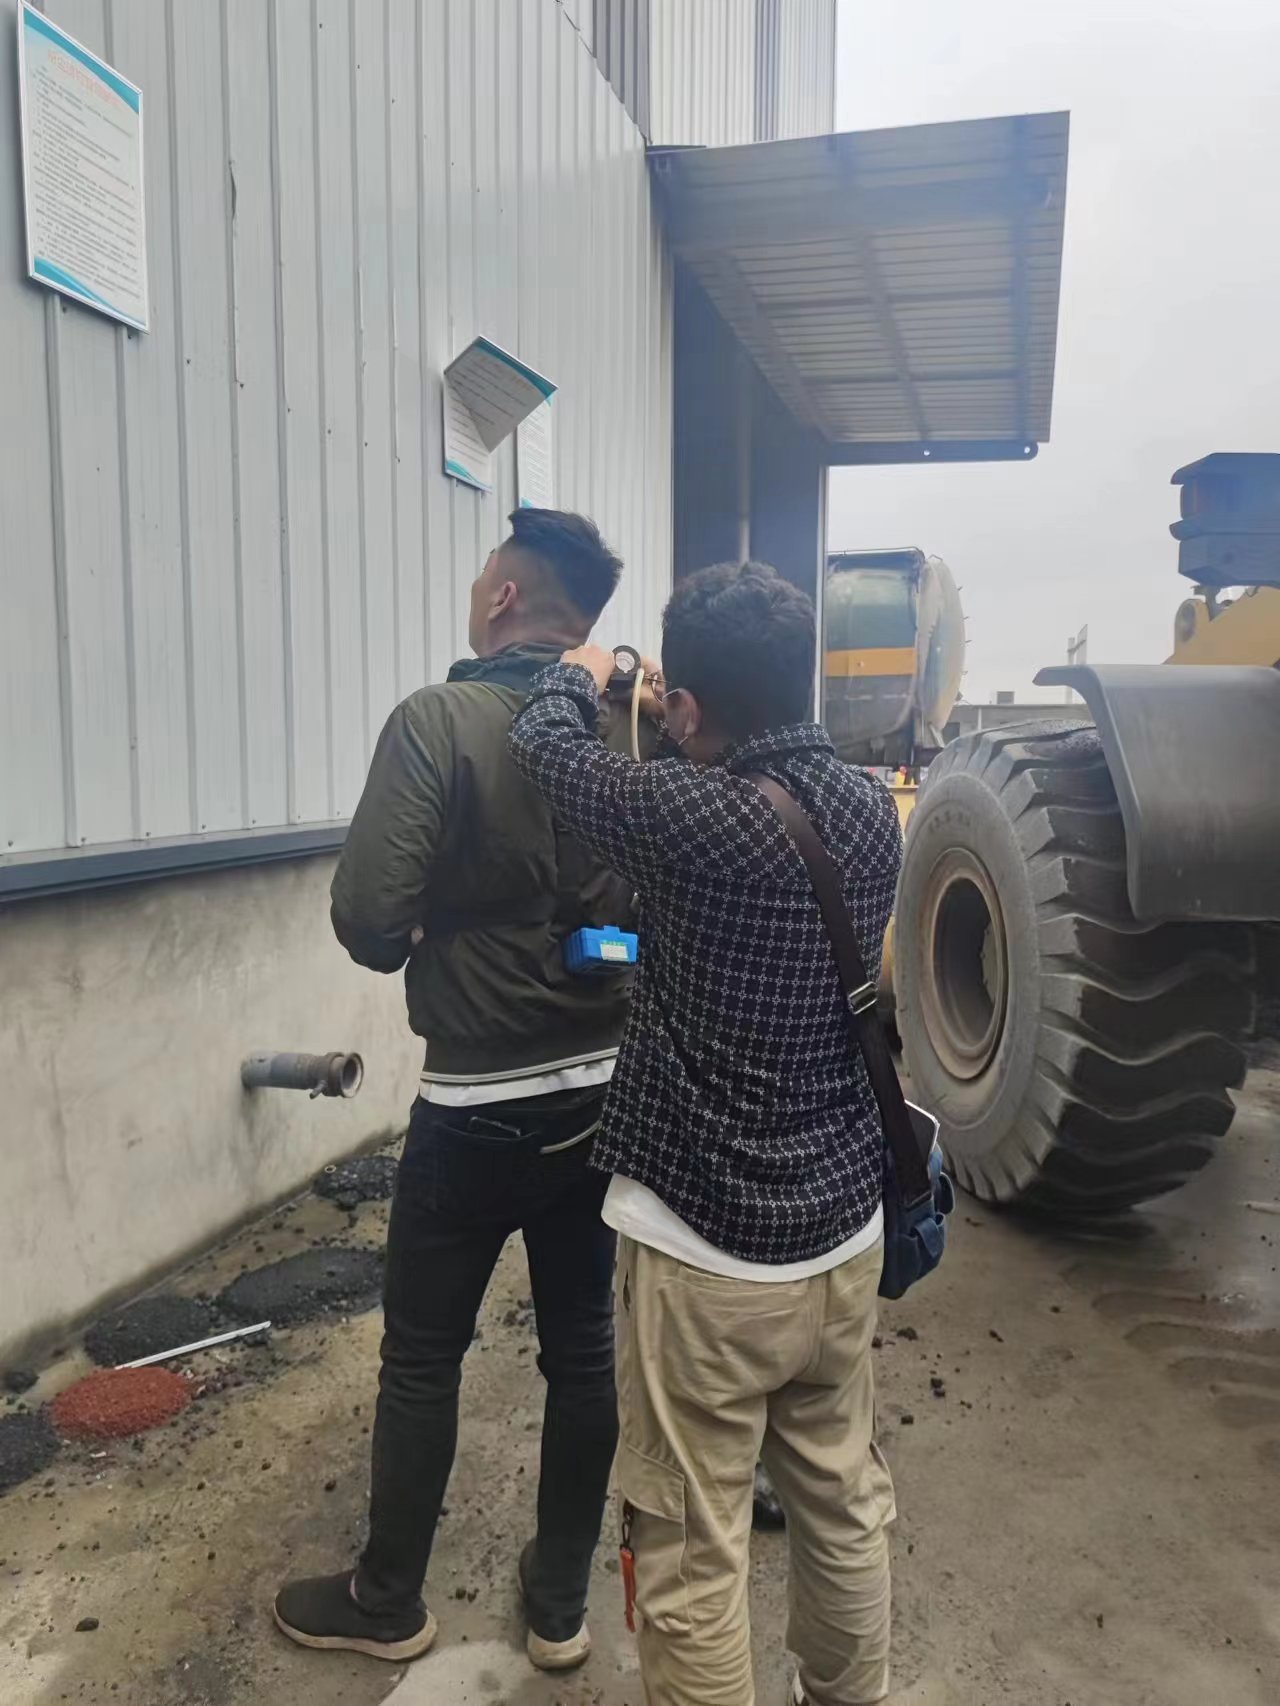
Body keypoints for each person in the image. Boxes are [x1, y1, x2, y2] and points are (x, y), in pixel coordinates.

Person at [508, 560, 904, 1706]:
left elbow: (544, 750)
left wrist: (582, 669)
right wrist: (666, 702)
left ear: (686, 707)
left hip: (708, 1254)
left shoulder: (690, 815)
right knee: (839, 1497)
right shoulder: (866, 807)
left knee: (690, 1538)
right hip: (841, 1238)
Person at [274, 509, 649, 1673]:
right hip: (603, 1091)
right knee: (582, 1351)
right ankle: (558, 1607)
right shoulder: (628, 731)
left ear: (501, 597)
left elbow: (366, 918)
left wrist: (428, 923)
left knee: (423, 1355)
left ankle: (387, 1599)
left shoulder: (436, 720)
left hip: (477, 1102)